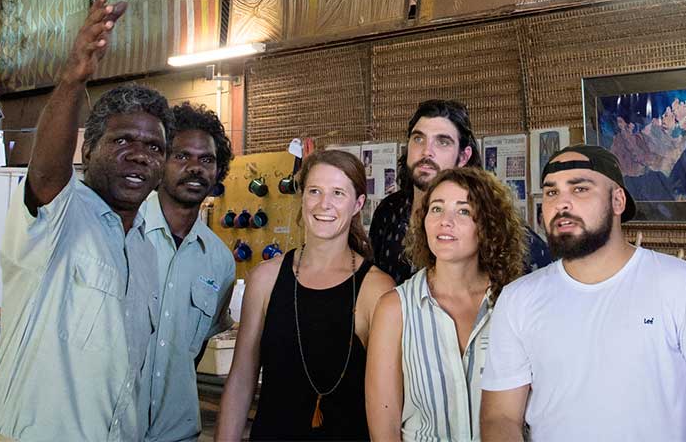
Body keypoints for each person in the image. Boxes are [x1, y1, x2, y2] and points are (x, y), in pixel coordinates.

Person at [0, 0, 172, 442]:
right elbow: (46, 171)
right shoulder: (58, 216)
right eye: (123, 140)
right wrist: (74, 77)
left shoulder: (146, 247)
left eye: (155, 148)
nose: (140, 156)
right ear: (88, 150)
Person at [480, 145, 686, 442]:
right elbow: (500, 417)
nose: (562, 203)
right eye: (551, 193)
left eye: (580, 189)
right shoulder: (518, 299)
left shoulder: (680, 284)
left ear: (617, 199)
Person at [216, 150, 394, 442]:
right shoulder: (265, 279)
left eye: (338, 193)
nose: (325, 204)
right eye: (315, 191)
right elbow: (240, 381)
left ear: (357, 204)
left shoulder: (377, 288)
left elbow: (387, 399)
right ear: (302, 198)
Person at [366, 167, 525, 442]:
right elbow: (384, 428)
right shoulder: (395, 308)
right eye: (436, 209)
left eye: (463, 211)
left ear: (487, 224)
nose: (445, 222)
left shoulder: (513, 302)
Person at [369, 99, 549, 285]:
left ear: (464, 156)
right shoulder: (389, 210)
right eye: (418, 139)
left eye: (443, 142)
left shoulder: (492, 217)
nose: (426, 152)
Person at [143, 103, 236, 442]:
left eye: (206, 160)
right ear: (160, 162)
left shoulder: (220, 261)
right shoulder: (124, 233)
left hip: (175, 432)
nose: (195, 168)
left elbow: (192, 354)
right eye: (181, 157)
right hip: (109, 430)